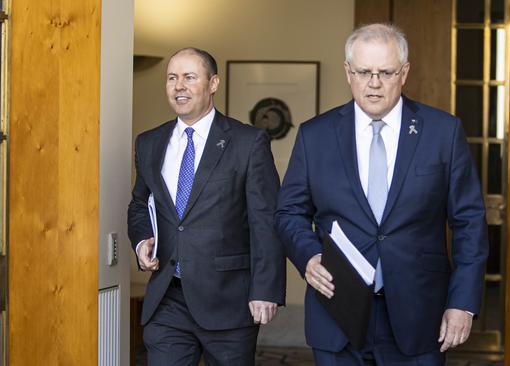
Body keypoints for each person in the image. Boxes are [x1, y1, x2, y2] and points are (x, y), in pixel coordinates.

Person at [275, 24, 488, 365]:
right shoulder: (315, 135)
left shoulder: (442, 132)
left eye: (385, 72)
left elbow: (470, 222)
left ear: (404, 72)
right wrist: (309, 257)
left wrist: (462, 302)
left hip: (420, 316)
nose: (374, 83)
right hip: (336, 311)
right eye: (363, 72)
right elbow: (288, 213)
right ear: (348, 72)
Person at [128, 47, 285, 366]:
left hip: (229, 301)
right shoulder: (149, 143)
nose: (178, 86)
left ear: (213, 83)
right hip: (167, 299)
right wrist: (143, 240)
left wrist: (266, 289)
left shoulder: (248, 142)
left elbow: (266, 220)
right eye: (172, 78)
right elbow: (140, 204)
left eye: (189, 77)